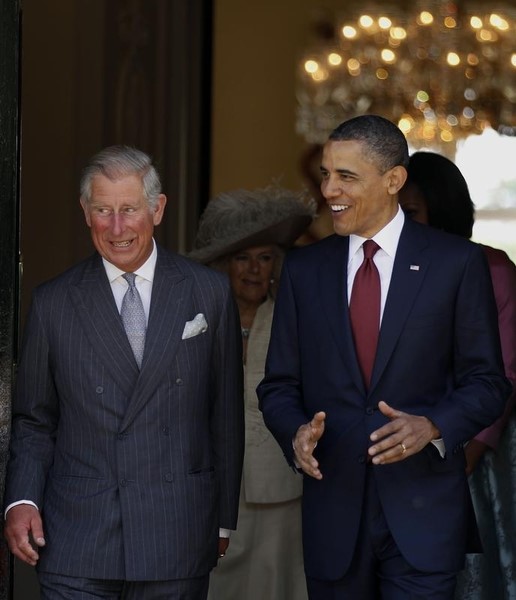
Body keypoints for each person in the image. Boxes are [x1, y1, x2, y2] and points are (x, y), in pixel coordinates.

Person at [257, 115, 511, 600]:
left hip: (424, 515)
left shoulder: (457, 264)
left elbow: (488, 383)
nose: (329, 188)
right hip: (333, 514)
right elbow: (278, 385)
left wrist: (432, 425)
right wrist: (295, 432)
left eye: (346, 176)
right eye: (327, 174)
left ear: (394, 180)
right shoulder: (305, 270)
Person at [3, 145, 245, 600]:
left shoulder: (208, 293)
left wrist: (221, 517)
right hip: (79, 535)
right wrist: (21, 500)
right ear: (84, 211)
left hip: (176, 527)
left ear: (157, 209)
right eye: (103, 211)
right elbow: (35, 419)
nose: (117, 228)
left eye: (129, 210)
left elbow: (225, 417)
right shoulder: (54, 302)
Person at [399, 150, 516, 600]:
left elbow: (503, 371)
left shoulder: (494, 269)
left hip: (476, 451)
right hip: (403, 447)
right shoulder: (396, 271)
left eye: (410, 212)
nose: (401, 225)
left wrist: (463, 451)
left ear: (442, 209)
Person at [189, 185, 316, 600]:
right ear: (223, 264)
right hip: (210, 488)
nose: (254, 270)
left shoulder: (293, 320)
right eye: (242, 258)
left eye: (264, 258)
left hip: (280, 489)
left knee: (279, 586)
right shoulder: (197, 320)